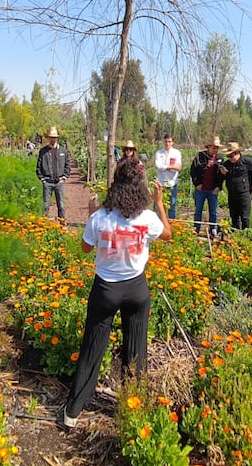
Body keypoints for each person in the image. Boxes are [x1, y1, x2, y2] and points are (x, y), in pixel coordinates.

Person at [61, 157, 172, 429]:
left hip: (105, 290)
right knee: (136, 351)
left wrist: (89, 214)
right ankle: (134, 406)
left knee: (92, 348)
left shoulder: (100, 217)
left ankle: (73, 411)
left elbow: (86, 249)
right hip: (136, 289)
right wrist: (159, 203)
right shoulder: (146, 218)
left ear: (115, 185)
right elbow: (168, 234)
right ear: (140, 187)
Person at [217, 142, 252, 231]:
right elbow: (220, 178)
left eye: (231, 156)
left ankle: (245, 234)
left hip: (244, 194)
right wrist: (222, 174)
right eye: (228, 156)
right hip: (231, 194)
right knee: (234, 217)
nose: (229, 158)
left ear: (237, 153)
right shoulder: (227, 164)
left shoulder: (247, 162)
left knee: (244, 217)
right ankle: (235, 235)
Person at [190, 136, 223, 238]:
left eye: (217, 148)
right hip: (201, 189)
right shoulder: (199, 156)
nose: (215, 150)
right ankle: (196, 229)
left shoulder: (220, 158)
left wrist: (219, 187)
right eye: (213, 147)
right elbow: (193, 171)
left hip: (213, 190)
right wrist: (197, 184)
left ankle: (213, 230)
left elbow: (222, 175)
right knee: (198, 210)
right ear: (208, 147)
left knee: (213, 212)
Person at [36, 126, 71, 221]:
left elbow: (67, 166)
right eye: (51, 137)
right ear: (48, 138)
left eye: (54, 137)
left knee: (61, 205)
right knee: (46, 205)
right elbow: (38, 167)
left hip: (59, 183)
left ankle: (62, 225)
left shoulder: (63, 151)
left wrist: (63, 178)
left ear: (57, 138)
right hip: (47, 183)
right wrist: (42, 179)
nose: (53, 139)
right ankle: (44, 226)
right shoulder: (43, 151)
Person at [154, 133, 182, 219]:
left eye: (169, 141)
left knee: (172, 207)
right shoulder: (159, 153)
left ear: (172, 142)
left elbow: (179, 167)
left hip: (172, 184)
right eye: (166, 141)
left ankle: (171, 227)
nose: (167, 143)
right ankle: (157, 227)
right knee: (158, 207)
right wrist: (171, 167)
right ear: (163, 141)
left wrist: (165, 167)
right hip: (161, 184)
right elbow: (158, 166)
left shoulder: (176, 153)